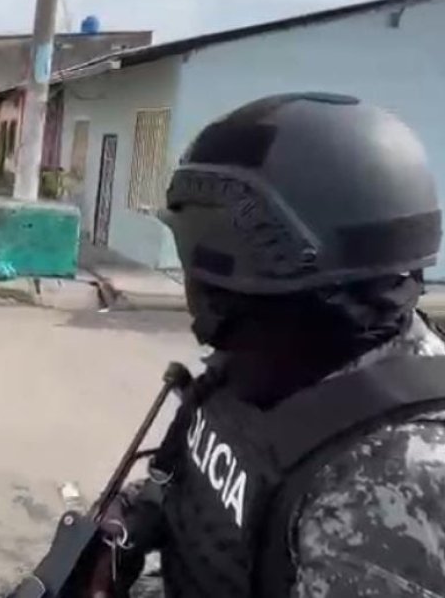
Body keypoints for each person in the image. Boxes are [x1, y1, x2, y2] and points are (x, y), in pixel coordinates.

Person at [75, 93, 445, 598]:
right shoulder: (270, 359)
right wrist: (129, 523)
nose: (203, 309)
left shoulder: (405, 473)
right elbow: (207, 491)